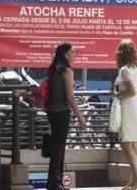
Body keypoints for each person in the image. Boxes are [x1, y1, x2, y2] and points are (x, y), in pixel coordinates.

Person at [45, 43, 87, 190]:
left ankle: (56, 182)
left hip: (51, 111)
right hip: (62, 112)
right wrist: (80, 118)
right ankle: (55, 183)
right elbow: (70, 97)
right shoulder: (67, 71)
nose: (75, 55)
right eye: (73, 52)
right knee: (59, 148)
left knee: (56, 147)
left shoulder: (52, 69)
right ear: (65, 54)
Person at [111, 39, 137, 190]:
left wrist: (116, 94)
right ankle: (134, 181)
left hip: (129, 108)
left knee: (126, 143)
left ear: (120, 54)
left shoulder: (124, 70)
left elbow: (131, 91)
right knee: (134, 144)